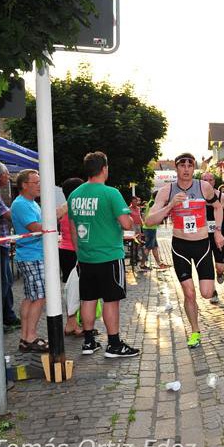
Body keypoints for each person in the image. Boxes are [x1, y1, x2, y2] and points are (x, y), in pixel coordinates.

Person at [145, 153, 224, 349]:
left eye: (190, 165)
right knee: (189, 293)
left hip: (202, 245)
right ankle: (195, 331)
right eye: (183, 165)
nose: (187, 168)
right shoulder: (167, 191)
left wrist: (217, 232)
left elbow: (218, 207)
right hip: (180, 247)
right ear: (176, 167)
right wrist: (171, 205)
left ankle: (204, 298)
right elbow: (149, 220)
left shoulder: (203, 187)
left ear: (194, 168)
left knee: (206, 293)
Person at [67, 152, 138, 357]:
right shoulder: (111, 193)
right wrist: (129, 220)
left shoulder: (74, 195)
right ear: (104, 168)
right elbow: (126, 224)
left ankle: (89, 342)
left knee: (88, 299)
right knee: (110, 300)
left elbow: (72, 229)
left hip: (86, 256)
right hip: (109, 256)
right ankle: (114, 344)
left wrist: (79, 254)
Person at [11, 168, 68, 353]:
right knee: (40, 297)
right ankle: (31, 337)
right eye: (36, 183)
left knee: (30, 297)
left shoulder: (31, 203)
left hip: (32, 255)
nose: (39, 186)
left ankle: (26, 337)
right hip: (32, 256)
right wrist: (58, 214)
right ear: (24, 185)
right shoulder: (22, 204)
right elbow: (36, 228)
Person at [200, 172, 224, 299]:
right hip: (202, 236)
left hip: (219, 235)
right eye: (205, 180)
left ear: (214, 182)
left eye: (210, 179)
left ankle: (219, 273)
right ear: (201, 181)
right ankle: (213, 291)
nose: (208, 182)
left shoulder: (221, 196)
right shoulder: (197, 197)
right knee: (207, 265)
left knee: (220, 267)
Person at [59, 177, 84, 337]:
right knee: (77, 289)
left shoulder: (64, 209)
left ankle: (72, 322)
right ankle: (71, 323)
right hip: (75, 252)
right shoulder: (74, 208)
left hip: (65, 251)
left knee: (71, 288)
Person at [0, 163, 20, 331]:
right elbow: (6, 214)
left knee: (7, 280)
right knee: (3, 282)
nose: (8, 178)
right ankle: (0, 320)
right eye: (6, 175)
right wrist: (23, 215)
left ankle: (8, 316)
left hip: (2, 243)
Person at [142, 191, 171, 270]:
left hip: (151, 228)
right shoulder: (152, 203)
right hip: (150, 228)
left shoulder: (151, 202)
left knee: (154, 247)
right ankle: (142, 264)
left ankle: (159, 264)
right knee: (148, 247)